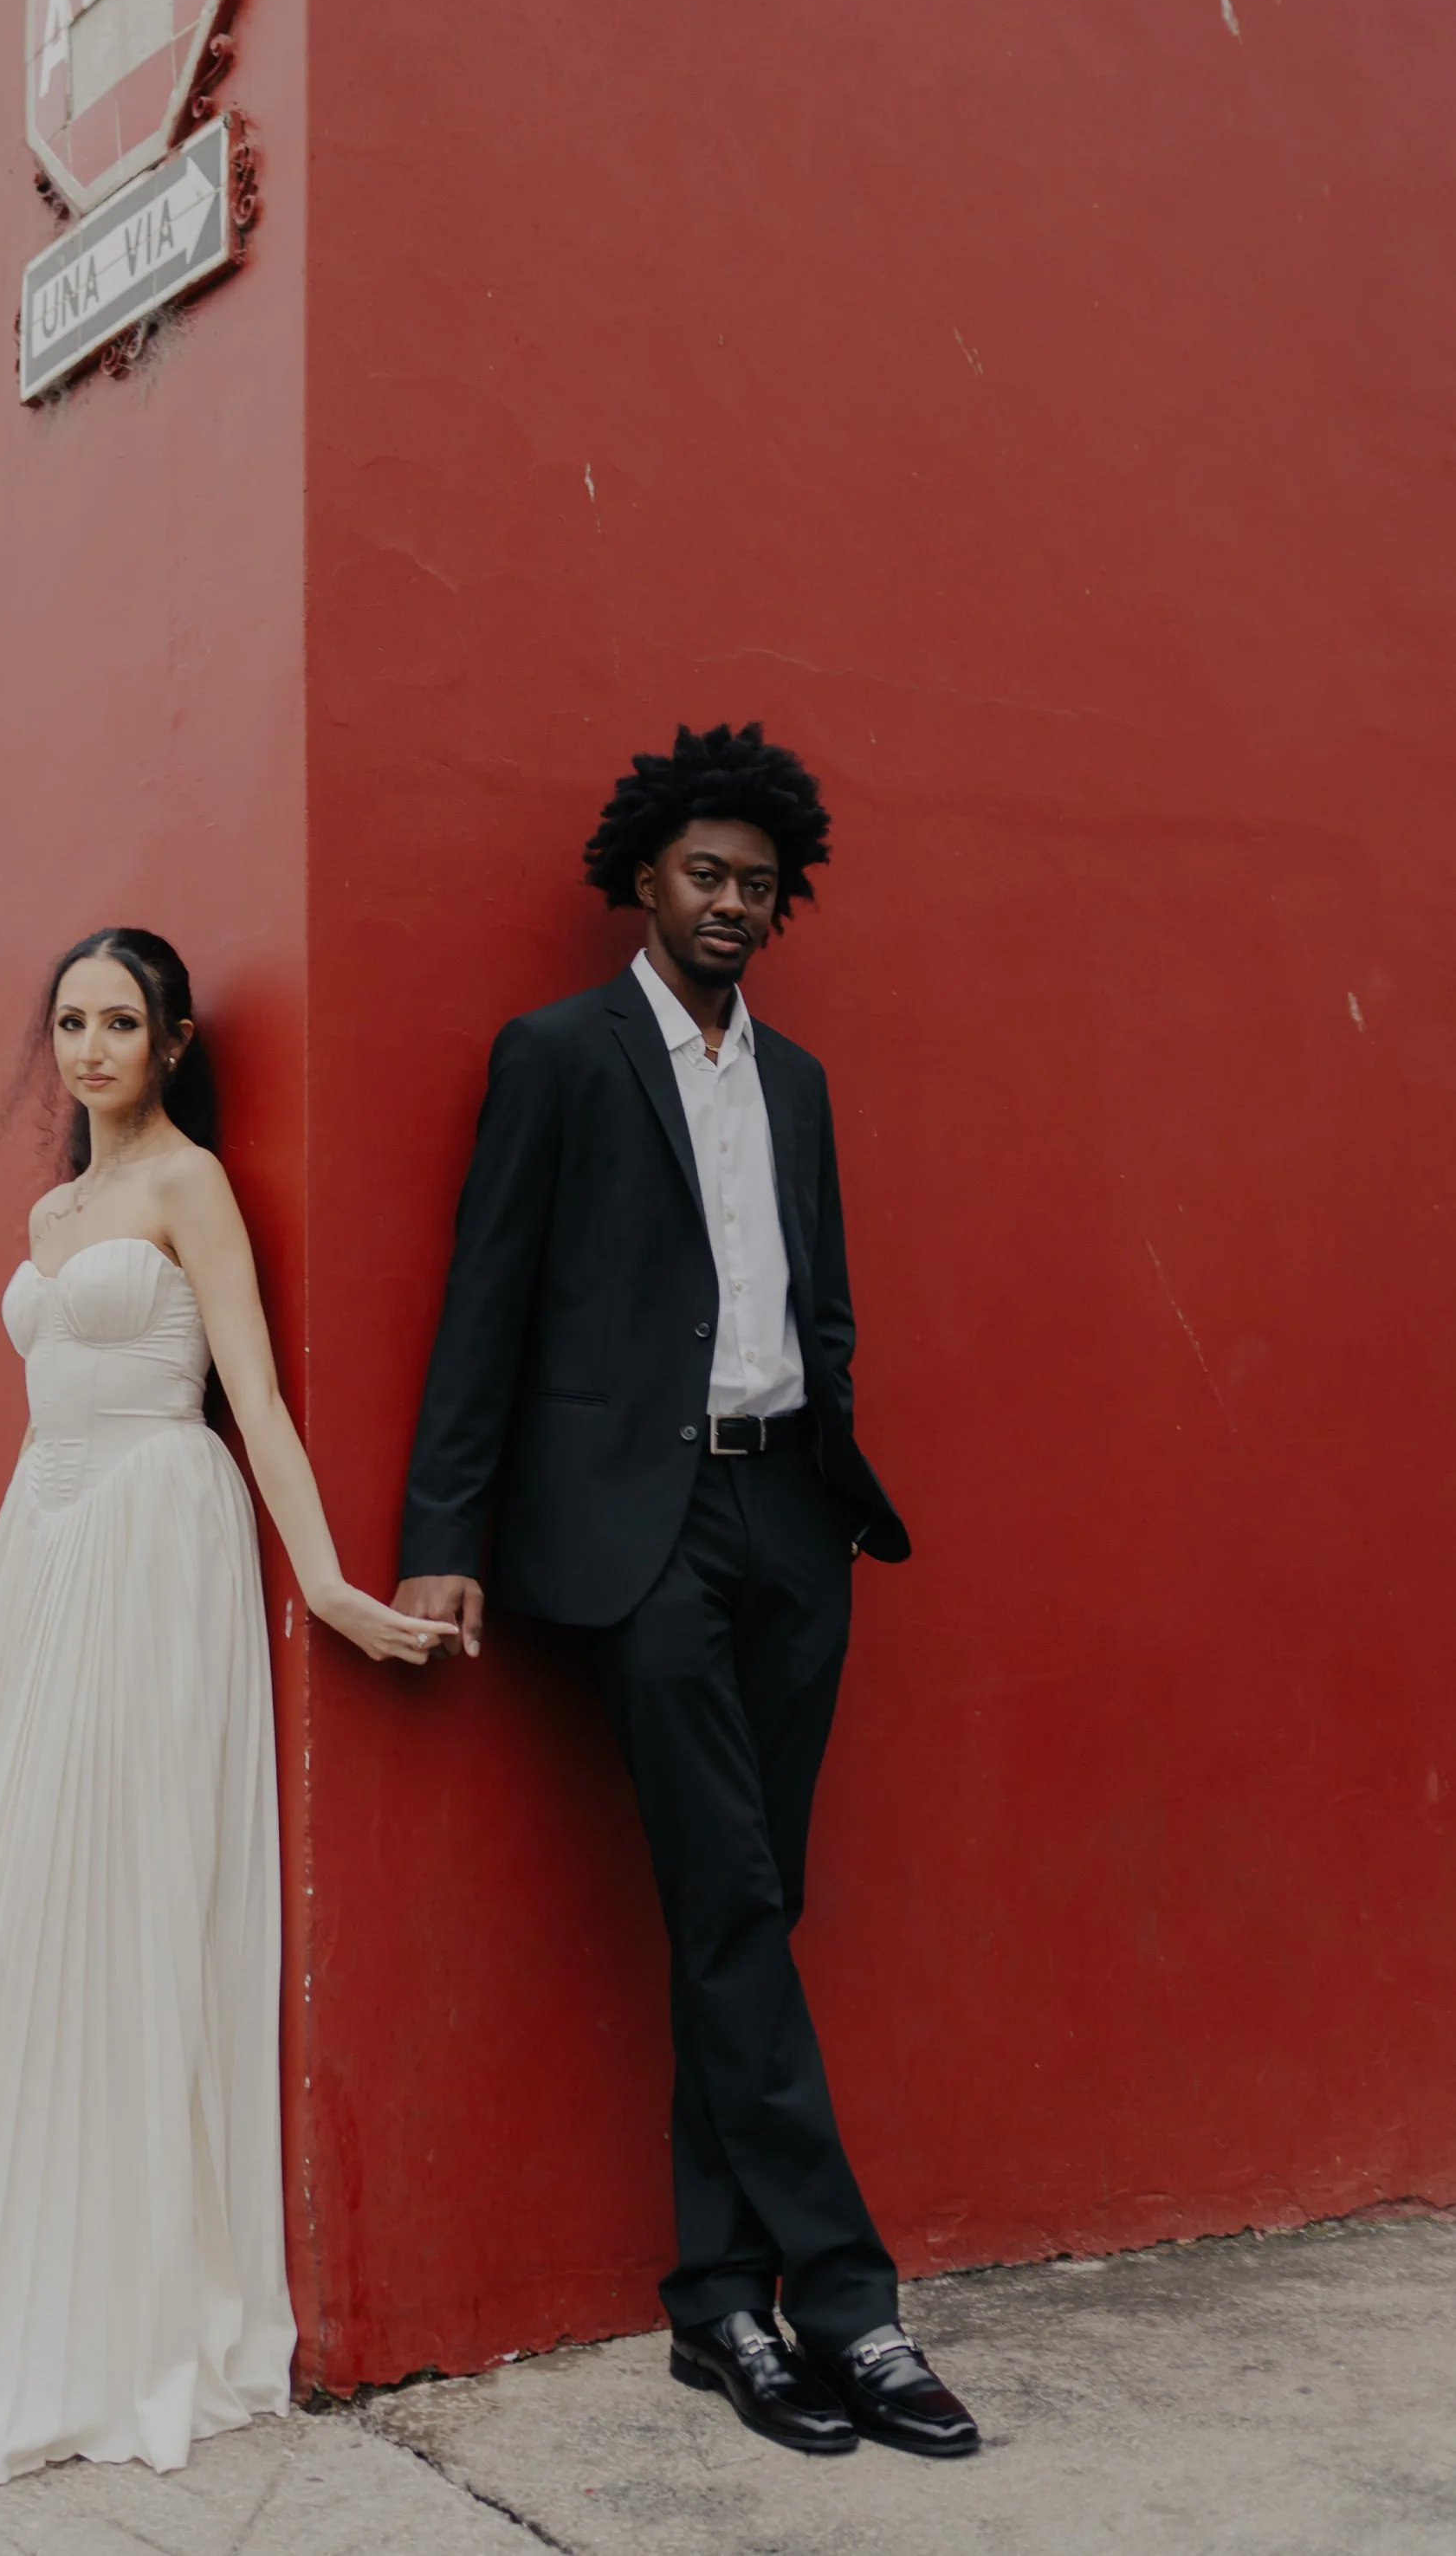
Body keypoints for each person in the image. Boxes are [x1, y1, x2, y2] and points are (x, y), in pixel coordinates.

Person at [0, 928, 448, 2486]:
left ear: (170, 1039)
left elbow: (256, 1395)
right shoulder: (51, 1209)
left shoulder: (188, 1185)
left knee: (122, 1892)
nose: (92, 1046)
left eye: (122, 1021)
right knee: (6, 1897)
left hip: (159, 1533)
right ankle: (2, 2274)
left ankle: (119, 2303)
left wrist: (333, 1581)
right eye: (72, 1021)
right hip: (42, 1540)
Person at [392, 723, 979, 2462]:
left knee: (750, 1911)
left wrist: (826, 1462)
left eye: (757, 882)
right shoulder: (559, 1057)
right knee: (726, 1900)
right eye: (703, 874)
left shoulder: (791, 1081)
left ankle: (717, 2298)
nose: (733, 902)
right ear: (638, 879)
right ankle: (849, 2308)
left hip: (789, 1522)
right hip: (637, 1539)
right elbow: (483, 1301)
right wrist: (447, 1526)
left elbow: (822, 1298)